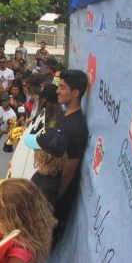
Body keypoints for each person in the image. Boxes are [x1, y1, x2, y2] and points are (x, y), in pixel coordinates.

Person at [55, 70, 89, 228]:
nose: (57, 91)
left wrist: (53, 197)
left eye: (62, 88)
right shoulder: (65, 114)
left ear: (75, 93)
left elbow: (68, 172)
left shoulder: (76, 128)